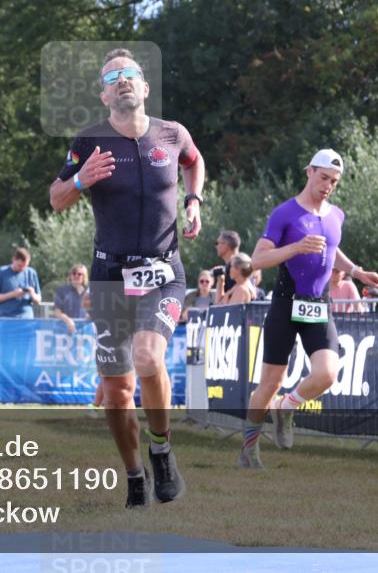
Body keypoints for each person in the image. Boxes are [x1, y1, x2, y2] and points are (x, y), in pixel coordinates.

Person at [50, 47, 205, 508]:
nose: (122, 80)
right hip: (110, 277)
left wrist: (194, 200)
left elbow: (194, 162)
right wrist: (80, 181)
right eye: (113, 76)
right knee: (117, 394)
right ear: (104, 94)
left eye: (130, 74)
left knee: (148, 355)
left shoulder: (172, 134)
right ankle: (135, 474)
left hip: (164, 272)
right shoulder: (89, 141)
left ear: (145, 87)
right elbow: (56, 198)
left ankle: (161, 448)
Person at [241, 149, 378, 469]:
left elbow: (332, 248)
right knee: (269, 384)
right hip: (285, 303)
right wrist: (295, 247)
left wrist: (358, 271)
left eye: (333, 181)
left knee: (327, 374)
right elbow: (257, 260)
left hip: (319, 305)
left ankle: (287, 407)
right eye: (323, 178)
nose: (328, 185)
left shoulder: (336, 215)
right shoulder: (284, 214)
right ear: (309, 172)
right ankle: (249, 449)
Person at [0, 247, 42, 318]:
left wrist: (32, 294)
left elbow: (39, 300)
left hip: (27, 319)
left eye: (25, 266)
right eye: (20, 266)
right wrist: (12, 294)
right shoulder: (2, 272)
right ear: (13, 259)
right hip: (7, 319)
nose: (23, 269)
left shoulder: (32, 273)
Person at [52, 264, 89, 334]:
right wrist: (69, 321)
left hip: (84, 331)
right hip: (63, 331)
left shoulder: (89, 293)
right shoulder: (62, 291)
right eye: (74, 273)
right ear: (70, 276)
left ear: (84, 277)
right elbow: (57, 312)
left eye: (79, 274)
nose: (76, 276)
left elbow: (91, 313)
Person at [211, 230, 241, 296]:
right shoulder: (241, 265)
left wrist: (220, 281)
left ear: (226, 245)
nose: (216, 246)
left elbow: (228, 303)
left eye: (217, 243)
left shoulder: (235, 269)